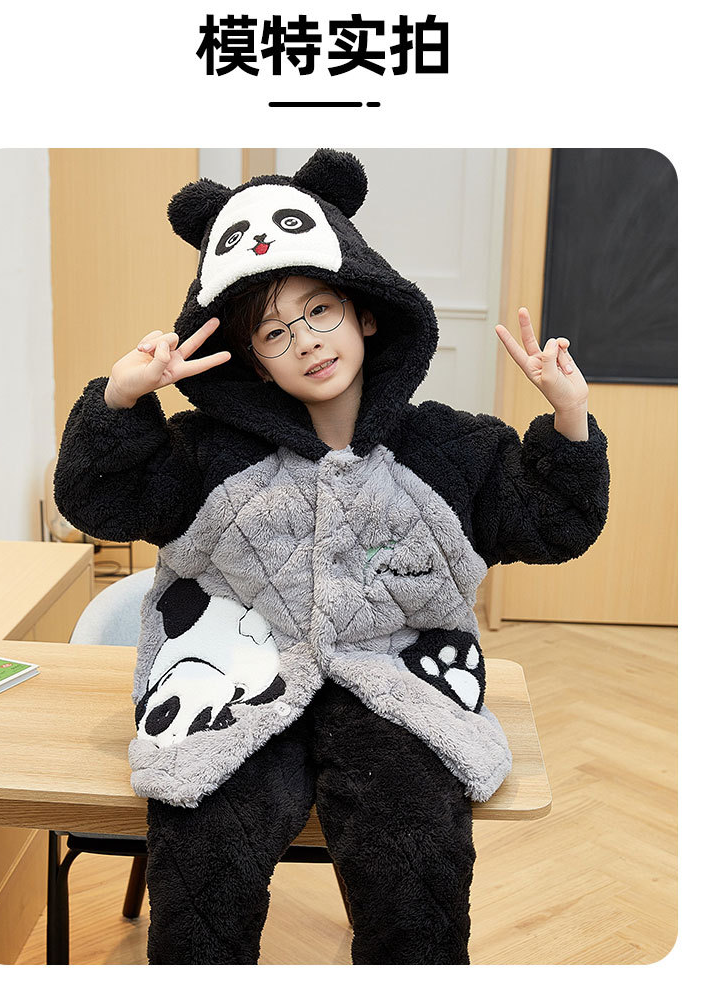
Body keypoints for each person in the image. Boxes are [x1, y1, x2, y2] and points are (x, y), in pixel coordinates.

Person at [54, 149, 610, 965]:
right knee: (206, 841)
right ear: (253, 359)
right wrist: (121, 396)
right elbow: (98, 500)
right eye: (275, 333)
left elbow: (555, 524)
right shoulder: (207, 453)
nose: (307, 342)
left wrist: (569, 418)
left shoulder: (451, 449)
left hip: (398, 682)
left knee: (414, 849)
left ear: (366, 313)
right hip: (238, 680)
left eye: (320, 311)